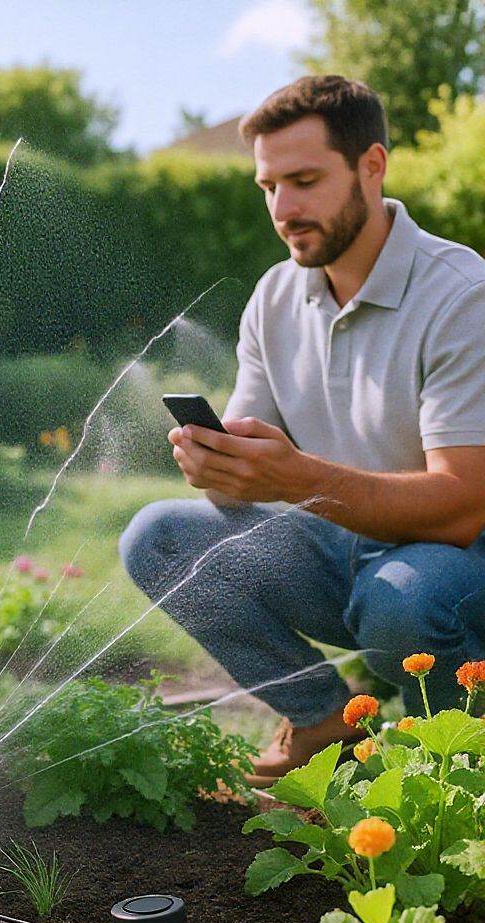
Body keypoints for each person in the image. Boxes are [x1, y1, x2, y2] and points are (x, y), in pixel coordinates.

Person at [119, 76, 485, 787]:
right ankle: (324, 721)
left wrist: (296, 477)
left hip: (456, 563)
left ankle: (447, 765)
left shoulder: (461, 295)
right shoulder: (277, 295)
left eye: (305, 180)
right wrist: (221, 464)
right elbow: (257, 463)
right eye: (267, 187)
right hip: (341, 553)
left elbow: (465, 503)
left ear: (371, 166)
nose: (283, 209)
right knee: (157, 536)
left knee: (403, 598)